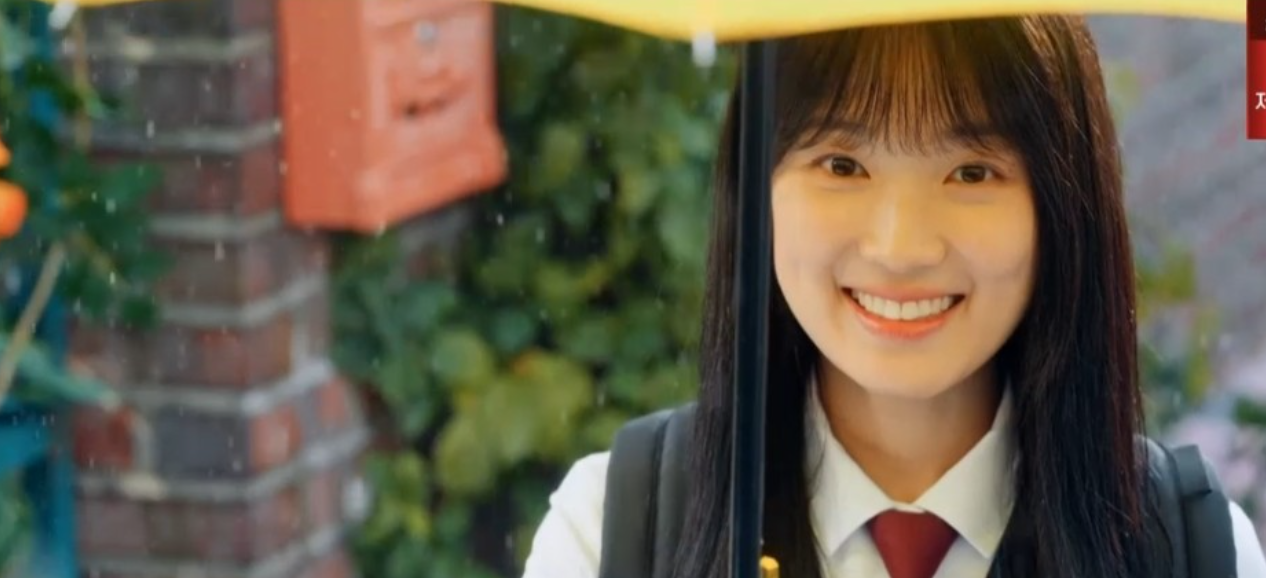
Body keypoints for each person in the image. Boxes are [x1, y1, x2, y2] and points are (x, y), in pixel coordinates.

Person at [520, 14, 1266, 578]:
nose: (901, 248)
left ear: (1064, 208)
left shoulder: (1194, 550)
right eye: (842, 165)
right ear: (757, 187)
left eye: (972, 172)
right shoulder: (613, 532)